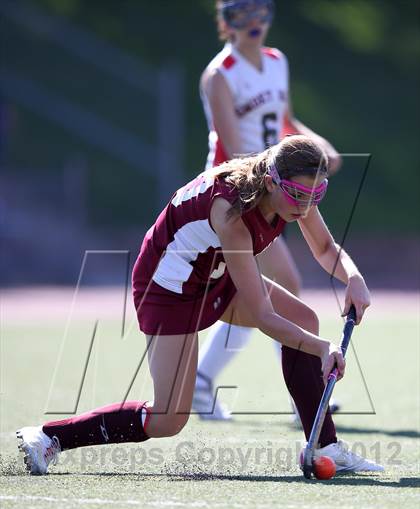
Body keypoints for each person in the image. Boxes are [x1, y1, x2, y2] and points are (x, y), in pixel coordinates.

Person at [17, 135, 383, 475]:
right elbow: (261, 315)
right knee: (167, 418)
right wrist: (322, 349)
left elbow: (322, 247)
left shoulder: (291, 189)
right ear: (272, 182)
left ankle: (324, 445)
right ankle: (51, 437)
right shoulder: (233, 212)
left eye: (316, 196)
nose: (305, 207)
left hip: (212, 274)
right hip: (167, 289)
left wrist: (352, 276)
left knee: (302, 316)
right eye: (299, 196)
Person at [194, 0, 342, 420]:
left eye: (260, 12)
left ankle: (204, 383)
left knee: (258, 294)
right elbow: (230, 149)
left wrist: (317, 144)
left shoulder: (277, 62)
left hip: (276, 192)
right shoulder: (219, 75)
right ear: (227, 23)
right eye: (243, 15)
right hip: (236, 196)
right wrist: (270, 184)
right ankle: (306, 398)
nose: (255, 23)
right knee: (285, 286)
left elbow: (285, 122)